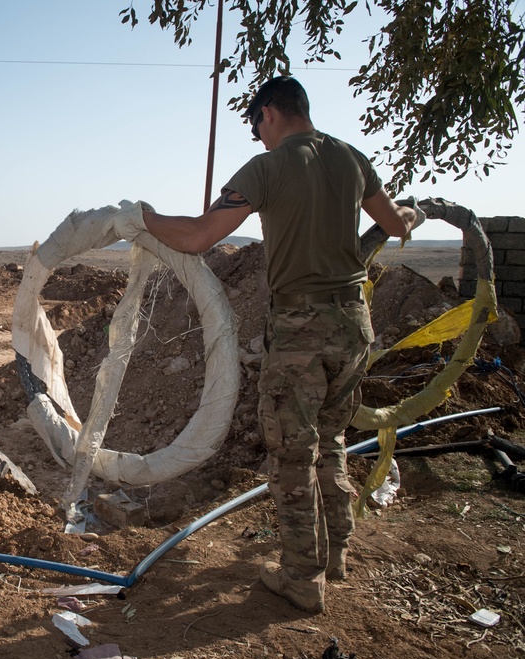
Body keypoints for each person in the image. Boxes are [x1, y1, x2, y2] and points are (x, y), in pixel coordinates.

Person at [114, 76, 425, 613]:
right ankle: (336, 554)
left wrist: (139, 218)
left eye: (255, 123)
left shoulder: (268, 167)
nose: (256, 135)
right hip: (354, 326)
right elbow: (396, 223)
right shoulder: (351, 158)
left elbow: (196, 237)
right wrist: (416, 214)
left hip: (300, 331)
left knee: (291, 454)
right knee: (330, 440)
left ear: (271, 114)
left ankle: (303, 577)